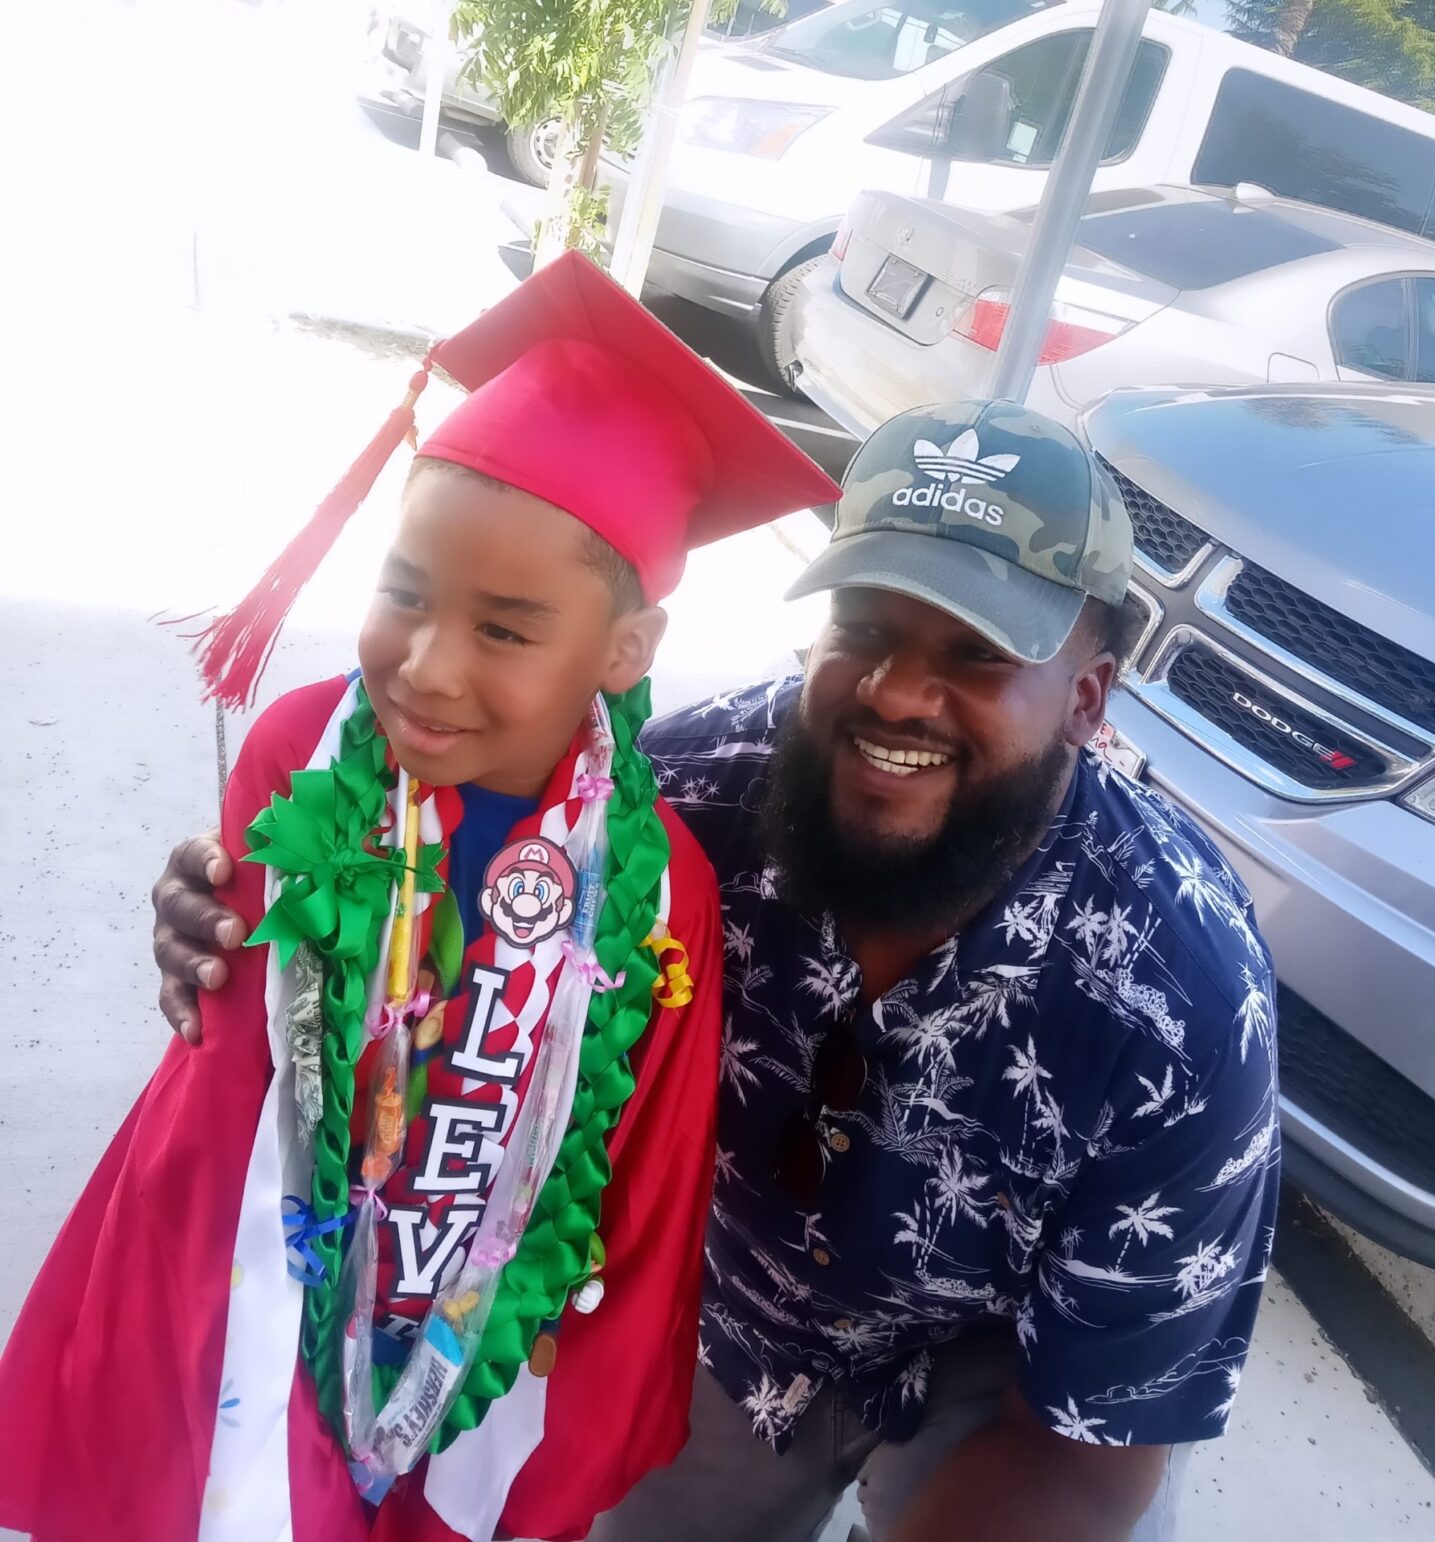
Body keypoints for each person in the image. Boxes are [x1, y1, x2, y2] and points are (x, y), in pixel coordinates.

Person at [149, 400, 1281, 1542]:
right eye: (865, 627)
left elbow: (1088, 1454)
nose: (893, 690)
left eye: (976, 654)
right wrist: (253, 915)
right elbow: (408, 903)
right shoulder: (669, 823)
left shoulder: (1180, 1005)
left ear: (1087, 699)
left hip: (1002, 1360)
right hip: (733, 1317)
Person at [0, 251, 841, 1542]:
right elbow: (225, 1086)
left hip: (472, 1341)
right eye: (403, 591)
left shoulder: (654, 877)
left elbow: (648, 1160)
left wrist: (589, 1390)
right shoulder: (300, 752)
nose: (427, 664)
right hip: (256, 1298)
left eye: (507, 628)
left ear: (623, 651)